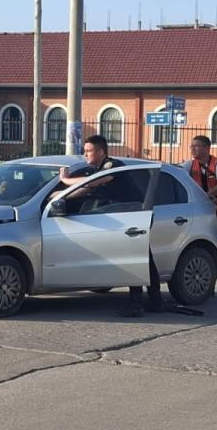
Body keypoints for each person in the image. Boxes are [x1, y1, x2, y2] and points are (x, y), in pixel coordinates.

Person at [57, 135, 160, 317]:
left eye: (89, 150)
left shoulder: (112, 165)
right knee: (144, 260)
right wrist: (59, 196)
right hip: (123, 216)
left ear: (101, 152)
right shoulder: (95, 169)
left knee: (134, 259)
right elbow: (84, 189)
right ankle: (155, 301)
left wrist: (65, 180)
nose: (85, 154)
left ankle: (137, 305)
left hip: (133, 216)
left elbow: (91, 183)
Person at [180, 135, 217, 295]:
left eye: (196, 146)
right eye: (191, 146)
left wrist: (209, 193)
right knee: (207, 244)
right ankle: (215, 282)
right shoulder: (190, 165)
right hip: (205, 211)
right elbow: (177, 172)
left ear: (206, 148)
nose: (192, 149)